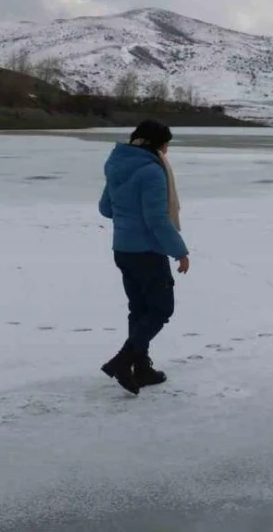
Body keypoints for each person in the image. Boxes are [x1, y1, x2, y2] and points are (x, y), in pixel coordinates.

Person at [98, 119, 190, 395]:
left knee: (139, 311)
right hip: (148, 251)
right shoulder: (151, 171)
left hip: (123, 249)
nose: (167, 150)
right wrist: (180, 251)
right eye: (165, 144)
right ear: (155, 144)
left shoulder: (117, 165)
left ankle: (142, 368)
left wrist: (127, 215)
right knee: (161, 309)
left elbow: (105, 208)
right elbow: (156, 219)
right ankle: (123, 361)